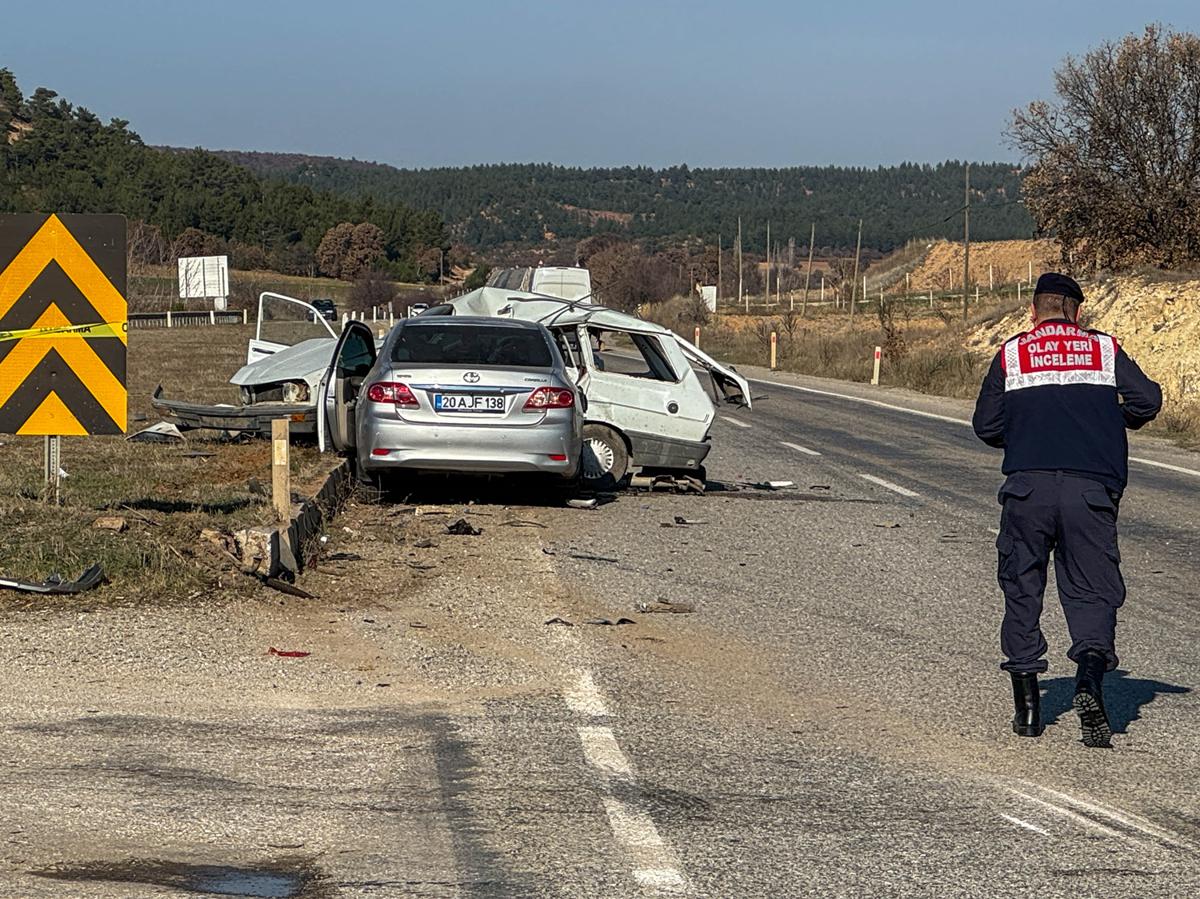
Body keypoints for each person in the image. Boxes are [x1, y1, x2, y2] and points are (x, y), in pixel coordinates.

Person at [972, 273, 1162, 748]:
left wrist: (1024, 433)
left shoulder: (1012, 353)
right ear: (1077, 312)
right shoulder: (1103, 348)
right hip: (1090, 491)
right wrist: (1113, 419)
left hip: (1028, 490)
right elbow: (1148, 399)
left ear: (1033, 311)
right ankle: (1089, 680)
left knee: (1022, 587)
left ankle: (1028, 711)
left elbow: (985, 425)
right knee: (1092, 591)